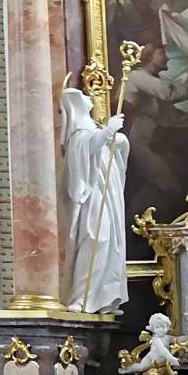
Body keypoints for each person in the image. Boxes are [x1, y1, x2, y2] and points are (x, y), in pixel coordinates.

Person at [60, 81, 129, 314]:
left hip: (107, 192)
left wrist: (117, 140)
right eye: (83, 96)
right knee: (95, 238)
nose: (88, 97)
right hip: (92, 194)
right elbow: (87, 146)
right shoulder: (79, 132)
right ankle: (82, 297)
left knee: (111, 244)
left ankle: (105, 297)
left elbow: (108, 148)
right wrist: (109, 130)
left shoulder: (90, 128)